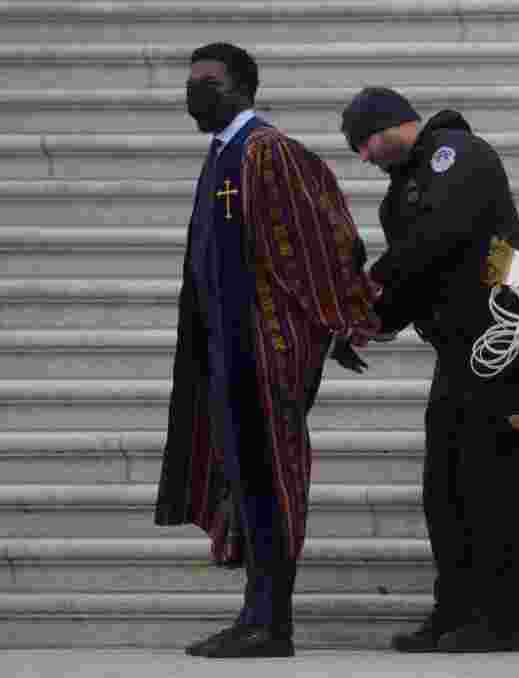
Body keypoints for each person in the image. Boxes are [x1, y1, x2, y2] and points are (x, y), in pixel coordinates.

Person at [154, 42, 380, 659]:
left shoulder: (268, 152)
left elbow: (320, 241)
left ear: (243, 88)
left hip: (264, 352)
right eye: (191, 80)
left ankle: (271, 624)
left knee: (269, 483)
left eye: (209, 81)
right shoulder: (222, 154)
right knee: (244, 483)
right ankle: (254, 614)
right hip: (226, 354)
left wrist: (343, 320)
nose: (195, 90)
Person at [340, 87, 519, 653]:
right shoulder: (397, 199)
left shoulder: (458, 152)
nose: (363, 157)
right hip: (459, 347)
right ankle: (454, 608)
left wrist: (369, 291)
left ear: (390, 123)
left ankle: (499, 617)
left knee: (490, 478)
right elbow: (416, 281)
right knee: (443, 485)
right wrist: (371, 320)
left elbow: (439, 236)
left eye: (364, 141)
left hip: (507, 335)